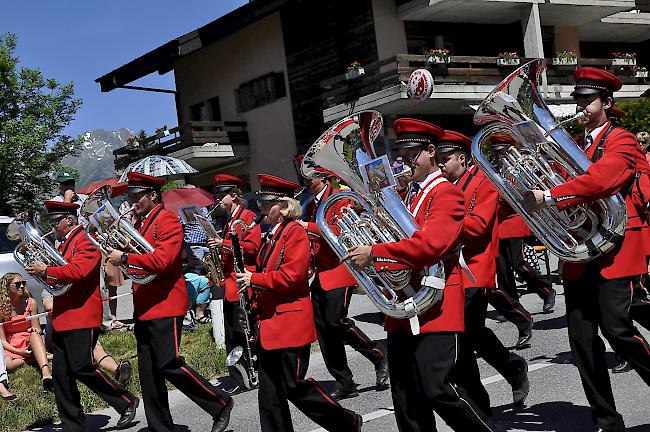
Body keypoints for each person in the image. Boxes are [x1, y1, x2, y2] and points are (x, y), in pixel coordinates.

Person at [344, 118, 504, 432]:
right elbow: (398, 242)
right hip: (403, 307)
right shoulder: (407, 196)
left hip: (436, 305)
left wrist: (375, 253)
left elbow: (430, 246)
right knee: (407, 401)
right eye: (398, 155)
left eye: (410, 154)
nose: (402, 162)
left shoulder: (446, 194)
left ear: (430, 152)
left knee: (438, 389)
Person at [525, 67, 650, 432]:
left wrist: (549, 195)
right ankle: (607, 420)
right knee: (581, 341)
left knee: (618, 329)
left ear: (606, 104)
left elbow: (601, 179)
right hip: (579, 252)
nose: (579, 106)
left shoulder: (622, 140)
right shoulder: (574, 147)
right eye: (577, 99)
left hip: (615, 247)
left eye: (587, 100)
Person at [106, 172, 233, 432]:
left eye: (136, 197)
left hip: (166, 304)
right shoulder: (141, 224)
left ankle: (218, 403)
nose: (132, 202)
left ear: (153, 196)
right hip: (145, 304)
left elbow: (163, 261)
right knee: (149, 373)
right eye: (130, 197)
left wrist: (127, 259)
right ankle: (160, 426)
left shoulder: (167, 221)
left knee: (169, 363)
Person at [235, 174, 362, 432]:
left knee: (294, 385)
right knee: (269, 396)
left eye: (267, 203)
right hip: (271, 324)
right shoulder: (272, 234)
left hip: (290, 323)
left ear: (283, 207)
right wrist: (251, 309)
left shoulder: (294, 233)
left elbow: (293, 276)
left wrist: (254, 279)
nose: (260, 207)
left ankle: (346, 421)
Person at [436, 129, 530, 414]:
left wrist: (443, 222)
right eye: (438, 158)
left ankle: (482, 399)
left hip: (476, 270)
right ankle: (508, 372)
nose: (440, 164)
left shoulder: (483, 184)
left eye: (445, 158)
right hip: (451, 271)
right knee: (469, 334)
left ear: (462, 159)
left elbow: (476, 228)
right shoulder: (443, 187)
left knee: (466, 335)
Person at [27, 201, 138, 430]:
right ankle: (73, 424)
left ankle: (126, 401)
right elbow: (58, 278)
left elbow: (78, 271)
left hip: (81, 315)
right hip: (63, 316)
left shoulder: (86, 240)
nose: (53, 226)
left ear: (69, 220)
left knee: (82, 367)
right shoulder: (64, 243)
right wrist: (41, 270)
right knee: (61, 375)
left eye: (56, 221)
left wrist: (47, 270)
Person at [299, 168, 388, 400]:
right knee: (324, 330)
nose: (307, 183)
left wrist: (307, 227)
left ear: (324, 178)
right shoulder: (309, 206)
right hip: (321, 272)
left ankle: (379, 355)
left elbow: (337, 233)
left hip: (341, 269)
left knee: (336, 321)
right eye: (305, 179)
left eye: (310, 178)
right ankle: (344, 381)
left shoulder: (339, 198)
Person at [207, 173, 262, 393]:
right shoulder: (227, 220)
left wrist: (223, 243)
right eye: (216, 194)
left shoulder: (247, 217)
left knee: (243, 331)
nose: (217, 198)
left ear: (234, 195)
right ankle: (240, 376)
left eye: (221, 194)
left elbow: (252, 248)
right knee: (233, 332)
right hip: (230, 281)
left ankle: (252, 371)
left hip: (243, 281)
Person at [0, 272, 52, 388]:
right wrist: (19, 352)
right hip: (11, 342)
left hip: (29, 338)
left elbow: (37, 328)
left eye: (23, 283)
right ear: (7, 287)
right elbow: (2, 340)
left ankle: (46, 373)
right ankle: (33, 357)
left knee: (34, 334)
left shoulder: (31, 302)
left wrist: (35, 329)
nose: (22, 286)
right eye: (17, 284)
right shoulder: (1, 307)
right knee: (8, 365)